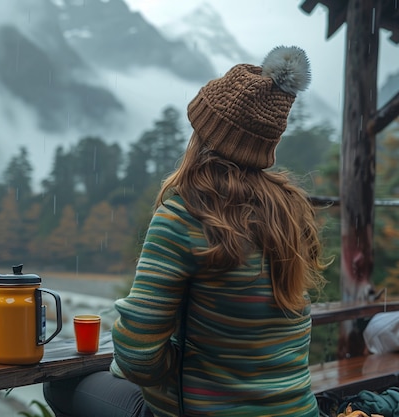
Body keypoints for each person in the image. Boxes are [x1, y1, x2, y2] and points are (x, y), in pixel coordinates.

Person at [43, 45, 328, 417]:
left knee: (60, 385)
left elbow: (137, 356)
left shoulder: (187, 214)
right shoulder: (290, 213)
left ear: (204, 135)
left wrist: (170, 363)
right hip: (294, 411)